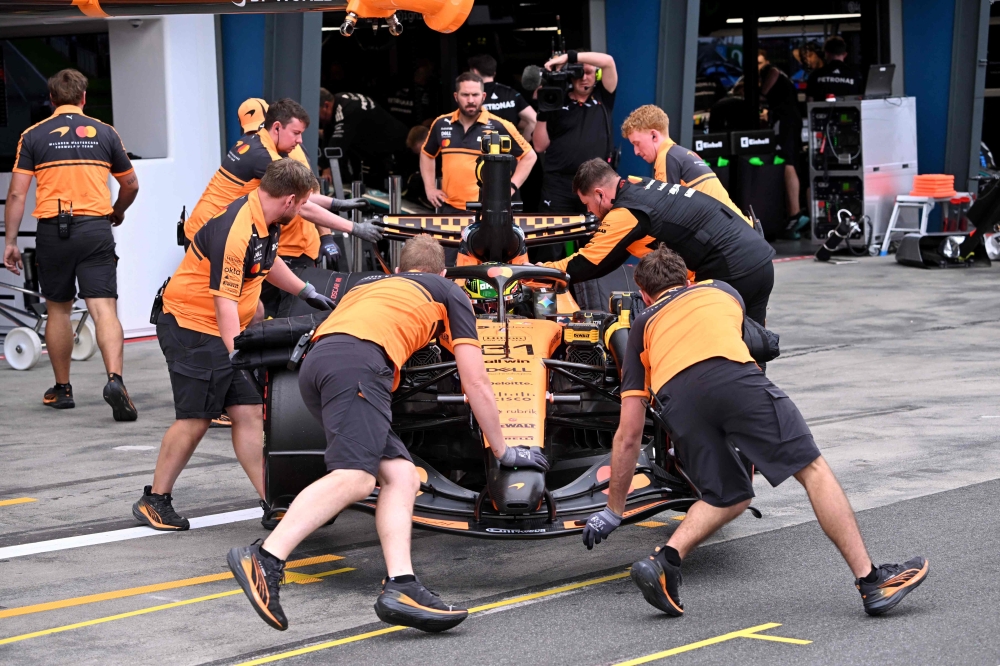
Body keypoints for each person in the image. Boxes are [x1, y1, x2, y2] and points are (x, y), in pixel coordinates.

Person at [580, 245, 928, 618]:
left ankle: (664, 561)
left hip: (677, 402)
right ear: (688, 278)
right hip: (732, 377)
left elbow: (628, 433)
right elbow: (751, 339)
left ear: (645, 294)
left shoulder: (641, 326)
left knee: (728, 494)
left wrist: (614, 510)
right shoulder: (720, 289)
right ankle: (871, 580)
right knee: (812, 470)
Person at [226, 235, 548, 632]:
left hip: (319, 366)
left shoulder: (370, 285)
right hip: (359, 365)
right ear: (443, 272)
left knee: (402, 476)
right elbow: (476, 381)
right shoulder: (447, 290)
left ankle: (402, 585)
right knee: (357, 477)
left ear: (398, 270)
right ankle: (266, 557)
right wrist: (503, 450)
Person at [132, 159, 336, 532]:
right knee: (196, 418)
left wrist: (307, 291)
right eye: (304, 204)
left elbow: (266, 264)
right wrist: (235, 353)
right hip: (192, 326)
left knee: (248, 414)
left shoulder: (266, 219)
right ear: (289, 200)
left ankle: (273, 502)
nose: (305, 212)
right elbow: (223, 301)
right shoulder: (237, 229)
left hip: (219, 328)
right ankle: (154, 499)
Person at [3, 68, 139, 420]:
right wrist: (117, 212)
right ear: (83, 98)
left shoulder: (33, 135)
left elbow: (17, 192)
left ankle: (62, 389)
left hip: (54, 231)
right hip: (95, 228)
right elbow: (131, 184)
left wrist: (12, 241)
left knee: (59, 309)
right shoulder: (106, 133)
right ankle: (115, 380)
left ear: (51, 100)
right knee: (104, 309)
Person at [542, 158, 775, 325]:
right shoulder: (639, 184)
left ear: (600, 194)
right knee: (753, 347)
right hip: (760, 260)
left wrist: (538, 272)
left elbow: (587, 263)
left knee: (712, 349)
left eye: (587, 203)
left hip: (731, 270)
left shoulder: (626, 212)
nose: (590, 211)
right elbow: (615, 254)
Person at [182, 98, 378, 247]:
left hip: (208, 229)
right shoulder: (265, 158)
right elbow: (301, 205)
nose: (300, 141)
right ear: (276, 126)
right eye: (296, 133)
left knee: (249, 301)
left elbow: (301, 198)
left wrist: (337, 203)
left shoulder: (252, 144)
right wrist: (355, 228)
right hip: (209, 234)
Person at [420, 72, 536, 215]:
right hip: (450, 208)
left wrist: (510, 188)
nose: (471, 100)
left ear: (483, 96)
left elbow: (529, 156)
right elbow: (427, 154)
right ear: (456, 97)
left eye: (475, 95)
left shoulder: (500, 126)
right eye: (465, 95)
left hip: (488, 211)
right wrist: (430, 188)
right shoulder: (441, 123)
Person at [621, 104, 751, 226]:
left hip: (732, 237)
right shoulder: (683, 154)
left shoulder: (666, 157)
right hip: (741, 229)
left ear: (654, 135)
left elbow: (663, 214)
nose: (636, 152)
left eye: (637, 143)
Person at [532, 50, 618, 218]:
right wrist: (543, 111)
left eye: (588, 72)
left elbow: (608, 61)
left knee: (595, 236)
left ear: (597, 75)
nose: (583, 77)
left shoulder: (603, 97)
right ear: (570, 76)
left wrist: (569, 57)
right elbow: (539, 145)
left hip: (595, 181)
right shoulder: (556, 100)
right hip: (558, 183)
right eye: (578, 72)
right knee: (551, 237)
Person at [758, 49, 809, 238]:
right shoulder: (776, 78)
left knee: (787, 162)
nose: (758, 67)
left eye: (760, 62)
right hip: (790, 121)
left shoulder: (772, 72)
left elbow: (763, 93)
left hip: (786, 122)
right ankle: (794, 214)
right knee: (790, 161)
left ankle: (795, 215)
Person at [319, 91, 410, 190]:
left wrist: (326, 167)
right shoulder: (338, 101)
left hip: (395, 146)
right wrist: (325, 165)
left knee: (387, 186)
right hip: (377, 146)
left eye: (317, 113)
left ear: (326, 105)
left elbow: (336, 145)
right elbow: (328, 133)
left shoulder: (347, 110)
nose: (318, 119)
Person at [468, 54, 537, 141]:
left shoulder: (468, 96)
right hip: (508, 151)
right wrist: (521, 147)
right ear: (494, 73)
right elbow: (534, 120)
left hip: (478, 150)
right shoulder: (511, 93)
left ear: (475, 72)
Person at [806, 36, 864, 102]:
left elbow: (809, 101)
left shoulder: (815, 75)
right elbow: (861, 99)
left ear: (826, 54)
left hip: (822, 111)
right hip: (849, 111)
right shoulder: (855, 75)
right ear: (845, 54)